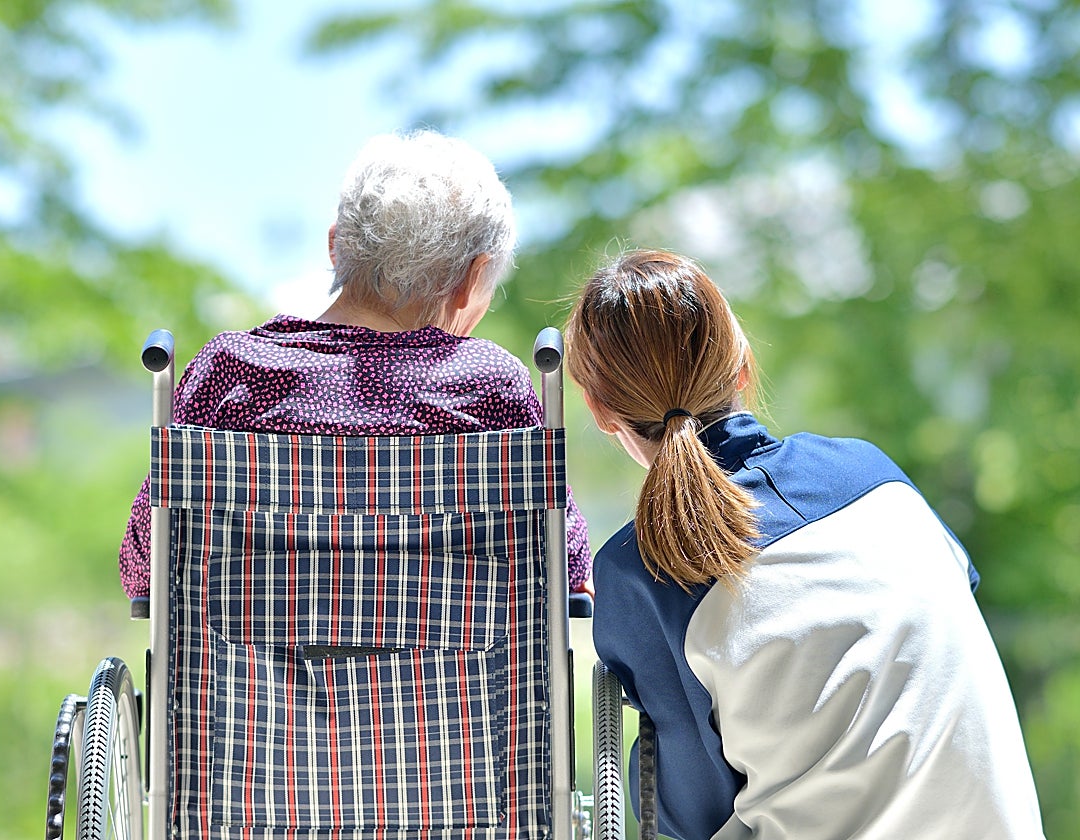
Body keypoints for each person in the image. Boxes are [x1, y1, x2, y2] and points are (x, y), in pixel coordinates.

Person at [566, 249, 1044, 839]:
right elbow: (951, 600)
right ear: (741, 363)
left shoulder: (644, 570)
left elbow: (689, 811)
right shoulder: (875, 478)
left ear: (600, 409)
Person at [119, 129, 592, 597]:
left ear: (334, 247)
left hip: (250, 674)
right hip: (452, 674)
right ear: (472, 279)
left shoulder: (228, 372)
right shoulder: (492, 387)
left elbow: (145, 565)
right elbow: (566, 565)